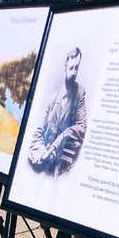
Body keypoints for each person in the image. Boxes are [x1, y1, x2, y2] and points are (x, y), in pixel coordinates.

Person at [28, 47, 86, 175]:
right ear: (65, 67)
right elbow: (38, 132)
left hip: (61, 165)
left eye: (76, 68)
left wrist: (64, 135)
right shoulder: (52, 98)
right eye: (71, 68)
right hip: (43, 160)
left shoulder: (80, 93)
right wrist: (43, 155)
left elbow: (82, 126)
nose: (74, 72)